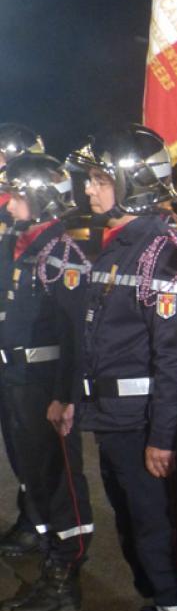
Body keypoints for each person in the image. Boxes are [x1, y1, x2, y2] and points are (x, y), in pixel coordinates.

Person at [65, 125, 177, 611]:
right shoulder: (117, 247)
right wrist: (80, 397)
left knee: (165, 544)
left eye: (102, 178)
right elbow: (98, 338)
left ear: (135, 184)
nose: (90, 188)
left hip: (148, 427)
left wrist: (162, 436)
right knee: (136, 543)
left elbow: (176, 358)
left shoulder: (166, 254)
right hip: (116, 421)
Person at [0, 154, 93, 611]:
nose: (8, 202)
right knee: (32, 477)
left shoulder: (61, 253)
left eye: (16, 193)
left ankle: (65, 572)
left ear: (40, 196)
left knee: (60, 482)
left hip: (43, 384)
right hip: (15, 379)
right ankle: (48, 554)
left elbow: (76, 333)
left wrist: (65, 395)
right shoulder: (19, 245)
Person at [0, 123, 47, 559]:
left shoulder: (39, 224)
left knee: (31, 442)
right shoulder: (12, 221)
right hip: (9, 348)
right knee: (17, 439)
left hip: (32, 356)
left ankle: (40, 520)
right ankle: (31, 514)